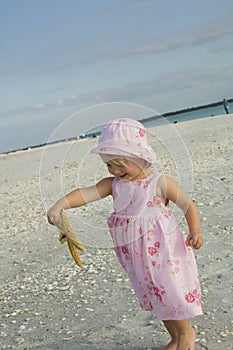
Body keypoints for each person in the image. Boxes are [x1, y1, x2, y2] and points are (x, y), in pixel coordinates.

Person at [47, 118, 204, 350]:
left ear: (141, 157)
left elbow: (187, 204)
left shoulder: (159, 182)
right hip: (136, 254)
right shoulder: (113, 184)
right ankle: (174, 336)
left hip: (164, 251)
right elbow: (85, 194)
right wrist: (60, 204)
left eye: (121, 164)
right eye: (110, 165)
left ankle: (186, 335)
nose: (116, 171)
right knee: (155, 293)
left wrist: (195, 230)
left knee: (170, 289)